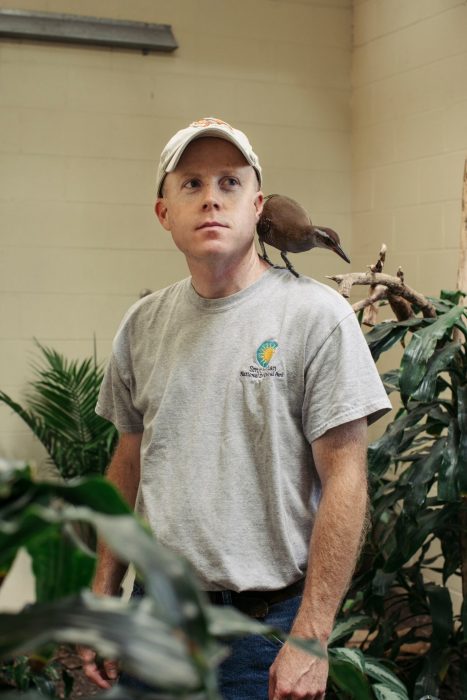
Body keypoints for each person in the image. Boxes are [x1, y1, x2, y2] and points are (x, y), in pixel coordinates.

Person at [78, 117, 392, 700]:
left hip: (266, 631)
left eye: (229, 182)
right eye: (191, 184)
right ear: (163, 212)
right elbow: (128, 463)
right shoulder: (143, 326)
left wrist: (311, 636)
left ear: (257, 205)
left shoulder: (316, 318)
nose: (211, 200)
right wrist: (103, 597)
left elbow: (346, 477)